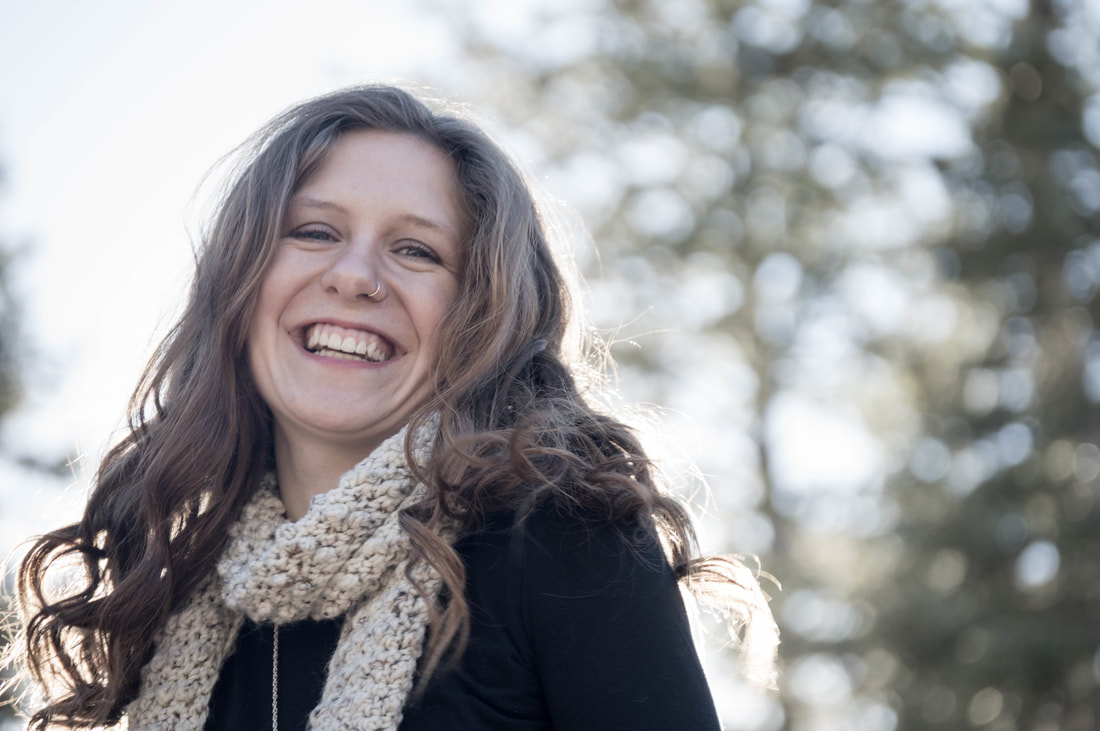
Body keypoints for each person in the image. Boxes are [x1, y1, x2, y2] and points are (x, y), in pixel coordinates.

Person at [10, 85, 778, 730]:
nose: (355, 276)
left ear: (481, 312)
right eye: (315, 231)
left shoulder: (563, 534)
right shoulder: (173, 580)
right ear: (239, 283)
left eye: (416, 250)